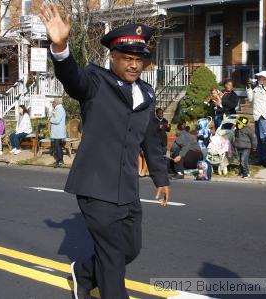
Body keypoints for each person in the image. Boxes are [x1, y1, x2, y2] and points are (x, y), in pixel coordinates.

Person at [41, 4, 170, 298]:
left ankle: (84, 273)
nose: (134, 65)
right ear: (112, 57)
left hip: (126, 186)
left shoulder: (146, 93)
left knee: (130, 249)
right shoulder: (95, 82)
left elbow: (151, 138)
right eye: (127, 58)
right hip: (95, 186)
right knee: (112, 258)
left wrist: (161, 178)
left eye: (139, 59)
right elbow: (72, 76)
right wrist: (60, 47)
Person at [246, 70, 266, 166]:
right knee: (259, 139)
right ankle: (261, 158)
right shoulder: (258, 87)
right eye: (259, 77)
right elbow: (251, 99)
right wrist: (249, 88)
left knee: (264, 139)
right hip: (257, 117)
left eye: (260, 77)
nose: (258, 78)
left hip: (265, 118)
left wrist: (264, 115)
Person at [49, 98, 66, 167]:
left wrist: (50, 119)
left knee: (57, 147)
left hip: (58, 132)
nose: (52, 104)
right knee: (57, 146)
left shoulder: (59, 109)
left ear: (56, 103)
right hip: (57, 132)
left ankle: (60, 161)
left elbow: (57, 120)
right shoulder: (57, 109)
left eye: (53, 102)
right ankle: (59, 160)